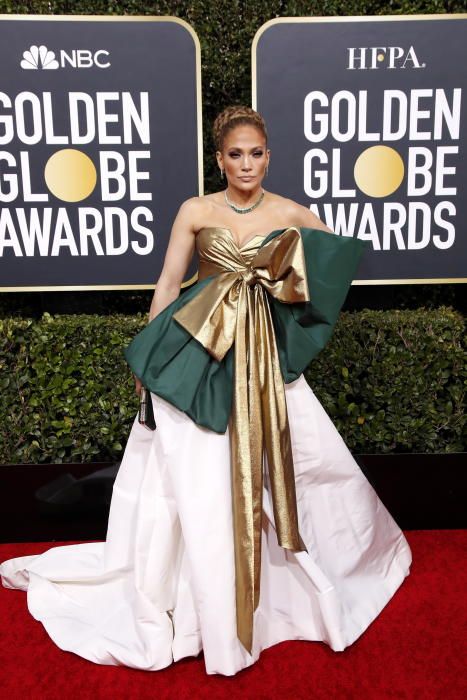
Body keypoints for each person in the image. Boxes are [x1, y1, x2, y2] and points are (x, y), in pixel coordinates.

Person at [0, 105, 411, 677]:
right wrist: (150, 354)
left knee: (288, 469)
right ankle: (199, 598)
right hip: (200, 354)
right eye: (236, 154)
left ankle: (283, 599)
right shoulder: (196, 210)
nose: (247, 164)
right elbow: (169, 283)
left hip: (263, 360)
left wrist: (290, 315)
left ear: (269, 155)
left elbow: (329, 267)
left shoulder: (292, 212)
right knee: (196, 480)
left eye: (257, 153)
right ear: (220, 159)